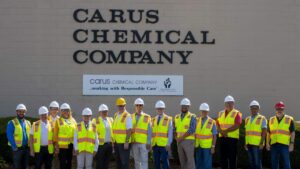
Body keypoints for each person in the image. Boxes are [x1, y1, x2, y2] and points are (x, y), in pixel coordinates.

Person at [266, 101, 295, 169]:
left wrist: (292, 144)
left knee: (286, 164)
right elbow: (268, 133)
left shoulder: (289, 119)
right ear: (275, 109)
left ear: (283, 109)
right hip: (274, 145)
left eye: (281, 109)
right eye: (278, 109)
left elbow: (292, 132)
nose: (279, 110)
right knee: (274, 163)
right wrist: (267, 143)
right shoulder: (271, 119)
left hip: (284, 145)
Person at [216, 95, 242, 169]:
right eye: (228, 103)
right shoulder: (220, 113)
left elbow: (237, 124)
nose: (229, 105)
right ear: (225, 104)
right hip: (222, 138)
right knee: (223, 158)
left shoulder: (237, 113)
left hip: (232, 139)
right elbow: (217, 124)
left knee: (232, 158)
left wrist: (225, 131)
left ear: (234, 104)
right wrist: (221, 131)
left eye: (231, 103)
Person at [6, 103, 31, 169]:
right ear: (16, 112)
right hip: (17, 149)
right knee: (17, 166)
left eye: (23, 111)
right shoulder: (12, 122)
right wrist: (14, 147)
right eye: (19, 111)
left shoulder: (28, 122)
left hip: (26, 148)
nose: (21, 113)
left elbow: (31, 135)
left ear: (25, 112)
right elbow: (9, 135)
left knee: (25, 166)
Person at [174, 98, 196, 169]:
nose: (184, 107)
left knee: (190, 160)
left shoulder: (192, 116)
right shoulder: (176, 117)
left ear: (189, 107)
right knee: (182, 160)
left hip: (188, 141)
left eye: (186, 106)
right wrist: (176, 138)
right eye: (183, 106)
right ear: (180, 106)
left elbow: (192, 129)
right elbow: (174, 129)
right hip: (179, 141)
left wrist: (181, 138)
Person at [244, 100, 267, 169]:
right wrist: (245, 143)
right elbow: (246, 132)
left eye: (255, 108)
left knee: (257, 162)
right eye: (252, 108)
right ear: (250, 109)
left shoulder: (262, 118)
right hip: (249, 144)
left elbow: (264, 131)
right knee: (251, 162)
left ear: (258, 109)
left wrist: (261, 143)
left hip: (257, 144)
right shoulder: (247, 119)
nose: (254, 110)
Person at [53, 103, 77, 169]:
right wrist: (56, 146)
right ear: (61, 111)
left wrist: (76, 146)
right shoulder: (58, 121)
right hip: (61, 146)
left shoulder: (73, 120)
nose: (66, 112)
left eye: (67, 110)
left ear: (70, 111)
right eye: (64, 110)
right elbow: (55, 135)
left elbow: (76, 133)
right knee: (62, 163)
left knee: (69, 162)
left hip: (71, 145)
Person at [194, 103, 217, 169]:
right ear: (200, 111)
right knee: (198, 163)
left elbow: (214, 136)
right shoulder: (197, 120)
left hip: (207, 147)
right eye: (202, 111)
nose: (204, 112)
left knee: (207, 164)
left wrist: (213, 147)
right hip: (198, 145)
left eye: (205, 111)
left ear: (208, 111)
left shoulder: (212, 121)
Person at [112, 97, 133, 169]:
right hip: (116, 142)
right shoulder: (116, 115)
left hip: (124, 143)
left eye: (122, 105)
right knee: (118, 162)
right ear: (117, 106)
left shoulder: (127, 115)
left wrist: (126, 141)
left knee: (124, 162)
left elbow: (129, 130)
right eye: (119, 105)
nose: (120, 107)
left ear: (125, 105)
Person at [131, 98, 152, 169]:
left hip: (144, 143)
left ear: (142, 106)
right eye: (137, 105)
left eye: (140, 105)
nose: (138, 107)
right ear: (135, 106)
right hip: (134, 142)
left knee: (144, 161)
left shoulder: (147, 117)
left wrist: (149, 142)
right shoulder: (131, 116)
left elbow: (149, 130)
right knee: (136, 161)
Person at [152, 100, 173, 169]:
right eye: (158, 108)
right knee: (156, 162)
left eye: (161, 108)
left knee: (165, 161)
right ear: (156, 109)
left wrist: (169, 143)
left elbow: (170, 132)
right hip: (155, 144)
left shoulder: (168, 119)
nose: (160, 110)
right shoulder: (153, 119)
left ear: (164, 109)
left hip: (164, 145)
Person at [93, 104, 114, 169]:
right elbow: (93, 133)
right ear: (99, 112)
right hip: (100, 146)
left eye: (105, 111)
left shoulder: (110, 120)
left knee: (106, 163)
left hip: (109, 145)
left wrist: (113, 144)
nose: (104, 113)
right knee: (99, 163)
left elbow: (113, 132)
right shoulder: (95, 120)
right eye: (103, 111)